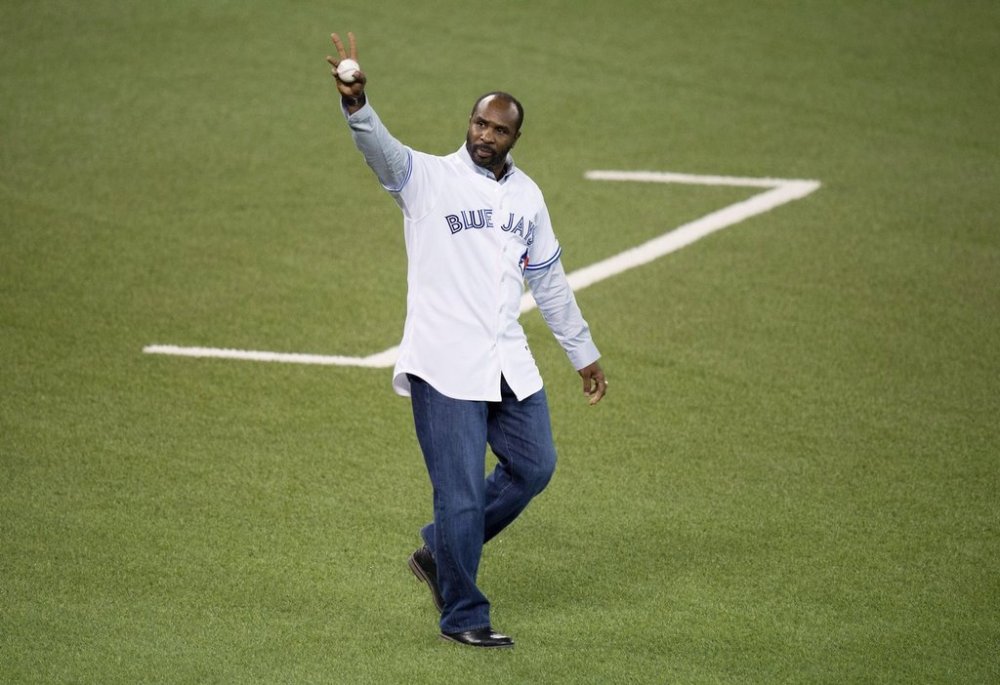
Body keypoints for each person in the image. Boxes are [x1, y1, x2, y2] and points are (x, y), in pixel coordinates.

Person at [327, 32, 608, 649]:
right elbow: (382, 154)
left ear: (514, 138)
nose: (485, 134)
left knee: (535, 465)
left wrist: (582, 352)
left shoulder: (529, 198)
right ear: (469, 123)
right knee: (457, 492)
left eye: (498, 129)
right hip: (444, 365)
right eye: (479, 122)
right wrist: (357, 105)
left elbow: (551, 282)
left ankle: (439, 549)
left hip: (508, 362)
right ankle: (463, 614)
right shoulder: (425, 179)